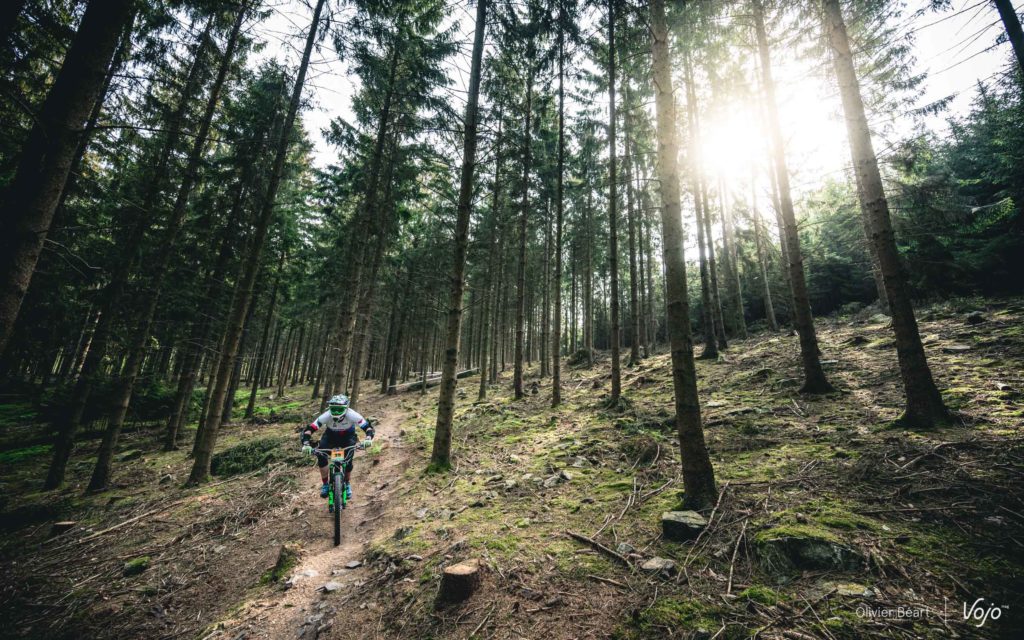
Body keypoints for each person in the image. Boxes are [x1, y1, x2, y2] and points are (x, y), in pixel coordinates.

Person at [300, 394, 374, 499]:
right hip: (330, 437)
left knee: (348, 461)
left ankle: (347, 483)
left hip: (348, 438)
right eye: (333, 409)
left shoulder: (352, 415)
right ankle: (325, 484)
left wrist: (368, 438)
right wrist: (306, 444)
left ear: (346, 408)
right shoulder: (326, 415)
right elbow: (310, 429)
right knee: (321, 455)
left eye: (339, 409)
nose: (336, 412)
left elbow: (367, 427)